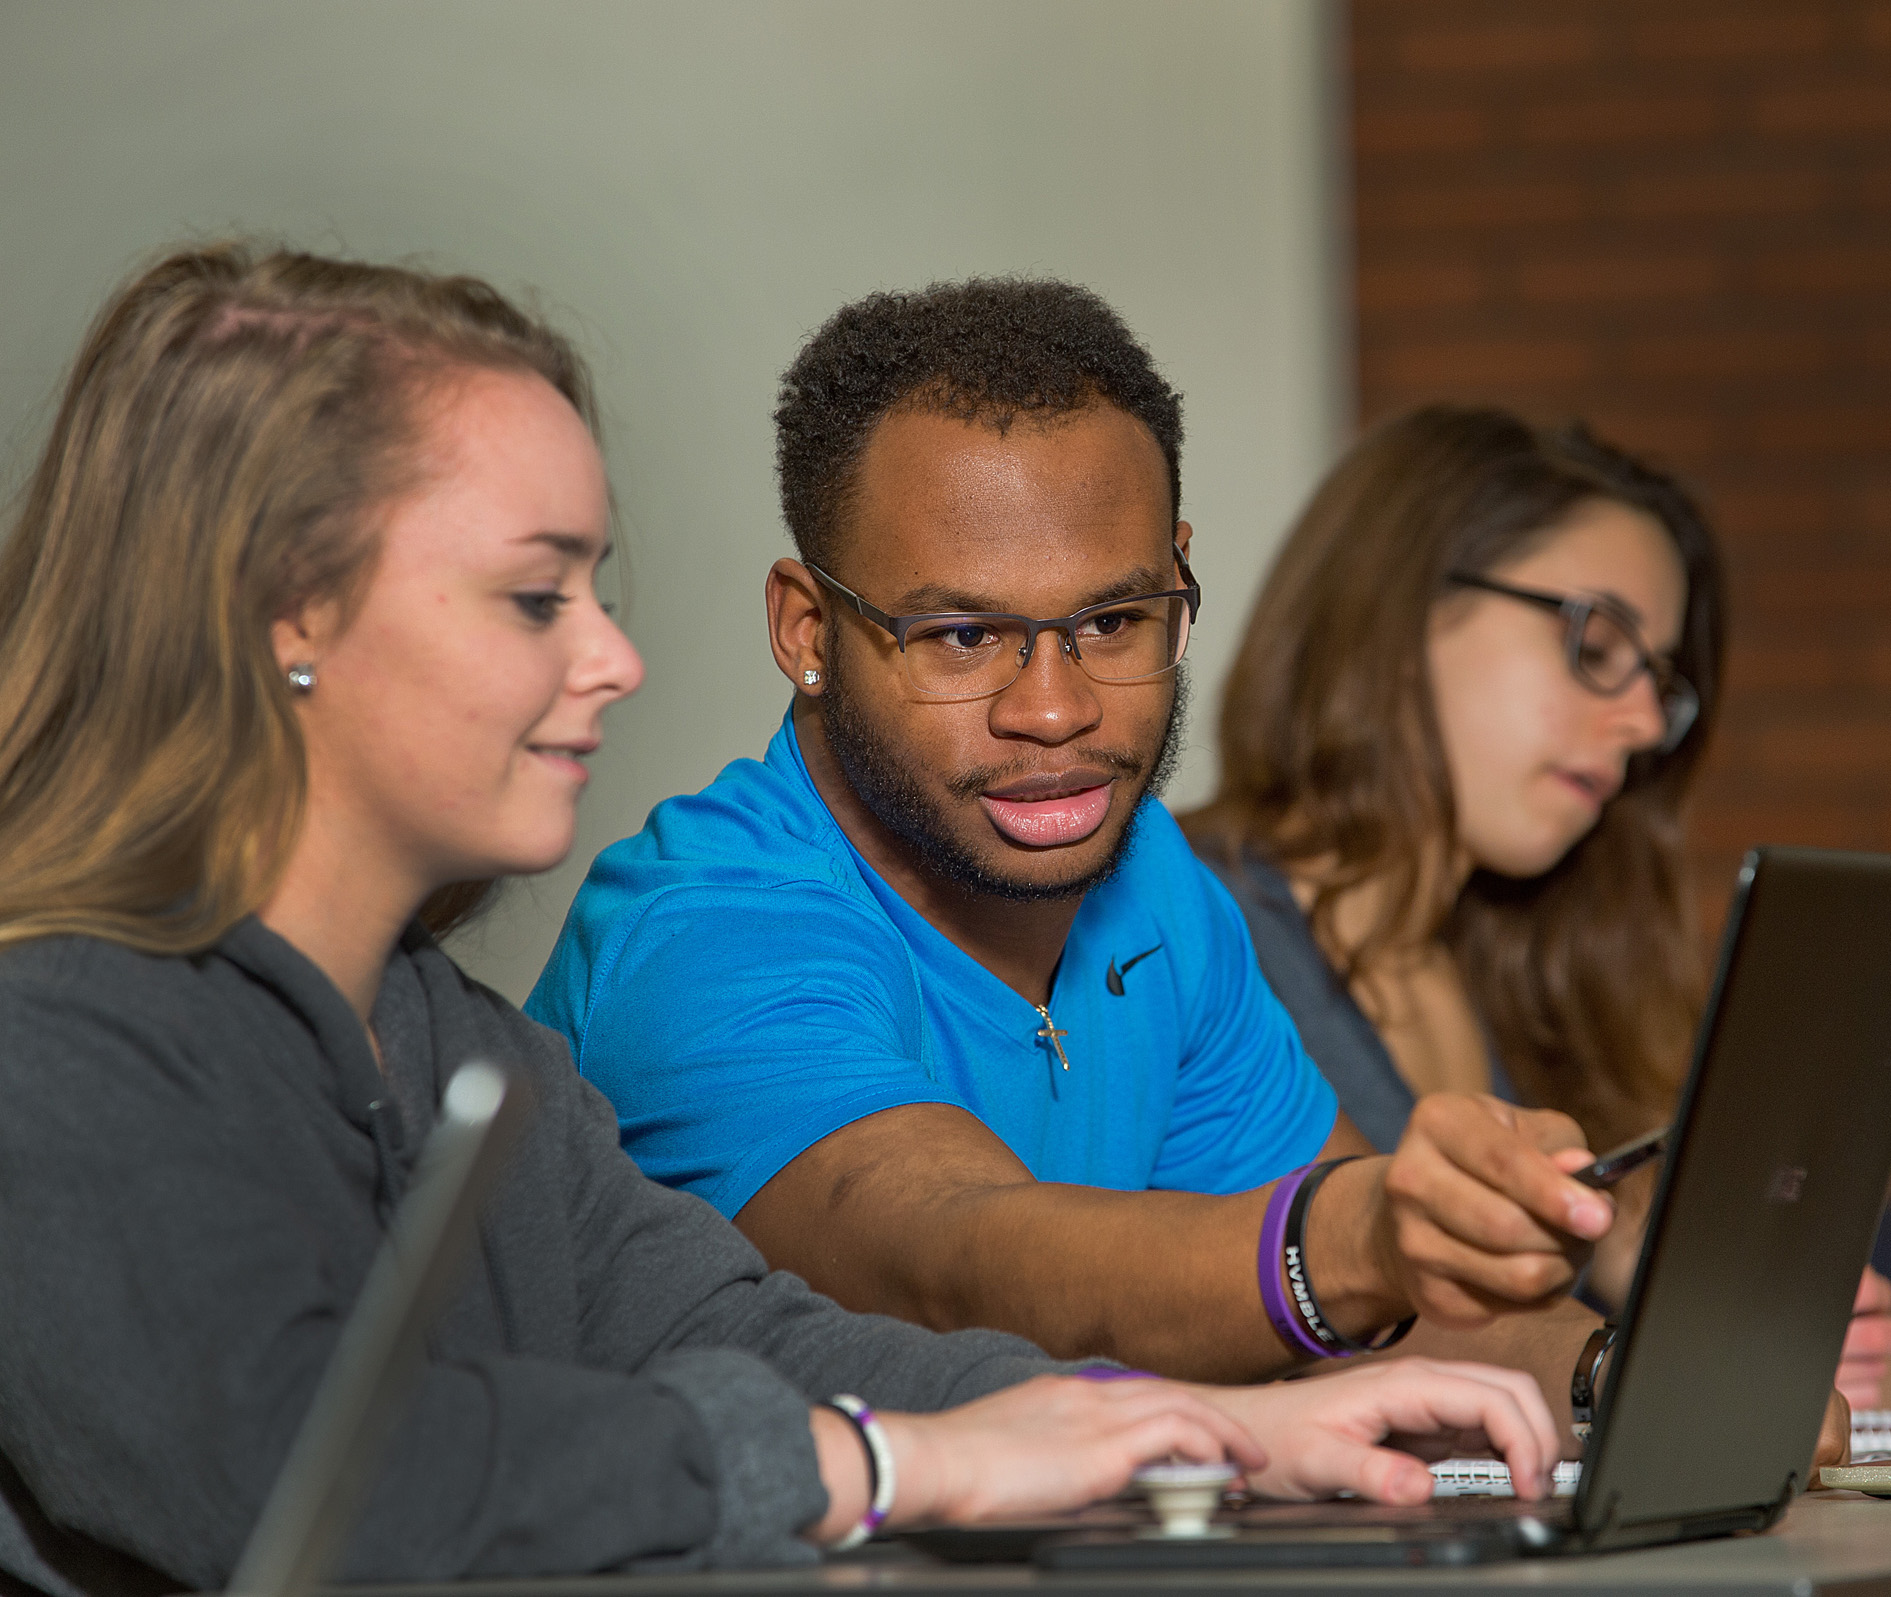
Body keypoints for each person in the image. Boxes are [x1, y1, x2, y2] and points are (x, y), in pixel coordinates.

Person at [0, 246, 1567, 1596]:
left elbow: (740, 1330)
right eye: (539, 597)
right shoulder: (56, 1040)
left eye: (597, 588)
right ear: (292, 614)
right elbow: (309, 1476)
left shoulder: (446, 1039)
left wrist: (1196, 1431)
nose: (616, 658)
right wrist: (882, 1464)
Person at [531, 280, 1853, 1458]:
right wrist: (1361, 1234)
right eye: (960, 636)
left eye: (1114, 621)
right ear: (809, 630)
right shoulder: (708, 925)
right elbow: (951, 1260)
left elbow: (1397, 1320)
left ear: (1179, 584)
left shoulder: (1157, 887)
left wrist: (1638, 1378)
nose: (1055, 712)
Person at [1177, 405, 1891, 1409]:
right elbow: (1333, 1308)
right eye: (1596, 641)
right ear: (1397, 610)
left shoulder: (1522, 964)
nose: (1648, 720)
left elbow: (1729, 1318)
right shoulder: (1185, 922)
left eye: (1659, 680)